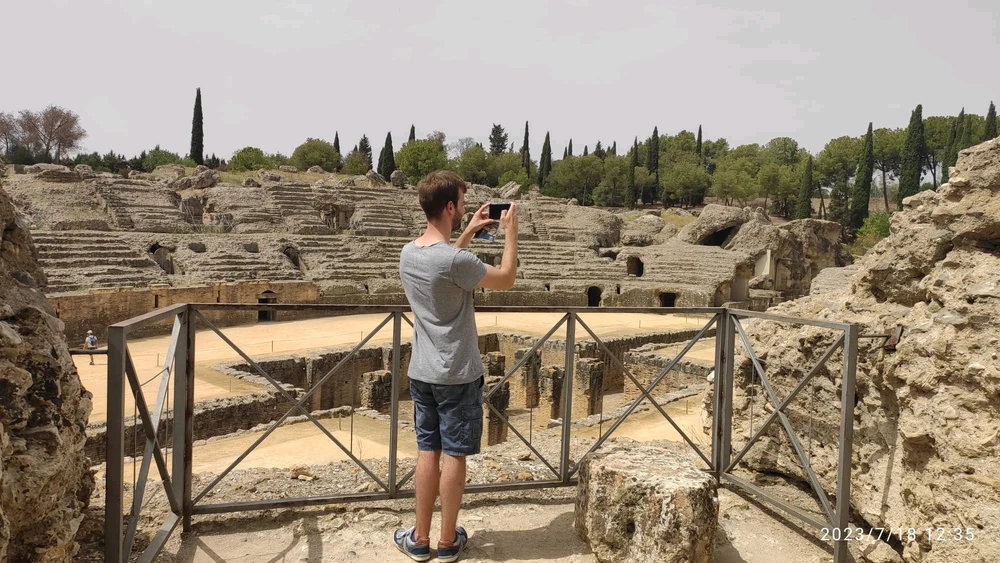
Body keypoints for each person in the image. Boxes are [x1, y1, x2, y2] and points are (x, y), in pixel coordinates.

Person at [394, 170, 519, 562]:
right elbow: (506, 279)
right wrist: (510, 232)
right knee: (454, 455)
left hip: (422, 373)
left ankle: (419, 538)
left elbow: (447, 262)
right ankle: (448, 542)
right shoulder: (456, 261)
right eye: (462, 204)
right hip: (456, 373)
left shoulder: (409, 252)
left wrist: (468, 232)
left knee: (427, 450)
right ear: (450, 206)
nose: (465, 210)